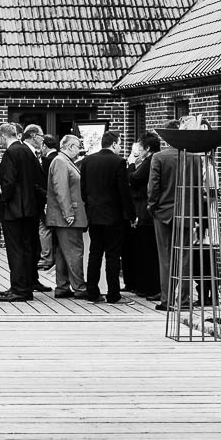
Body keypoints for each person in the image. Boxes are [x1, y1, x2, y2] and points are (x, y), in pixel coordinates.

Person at [0, 122, 45, 301]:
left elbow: (8, 182)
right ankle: (25, 285)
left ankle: (19, 289)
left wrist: (3, 200)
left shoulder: (10, 153)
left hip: (14, 210)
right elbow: (38, 179)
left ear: (3, 136)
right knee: (27, 248)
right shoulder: (27, 151)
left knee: (15, 250)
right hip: (30, 209)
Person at [82, 129, 131, 303]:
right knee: (112, 255)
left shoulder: (87, 161)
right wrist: (130, 214)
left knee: (95, 253)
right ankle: (113, 294)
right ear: (115, 144)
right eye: (120, 144)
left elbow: (83, 190)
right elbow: (123, 191)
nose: (121, 147)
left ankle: (92, 292)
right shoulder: (119, 162)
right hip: (113, 216)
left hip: (94, 215)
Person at [44, 132, 89, 298]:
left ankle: (63, 286)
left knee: (63, 252)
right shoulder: (61, 162)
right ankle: (80, 288)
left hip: (65, 216)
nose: (80, 150)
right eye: (78, 146)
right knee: (74, 252)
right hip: (69, 216)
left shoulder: (63, 161)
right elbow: (61, 189)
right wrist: (68, 213)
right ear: (70, 146)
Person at [144, 128, 179, 311]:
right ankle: (186, 297)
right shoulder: (194, 158)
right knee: (185, 257)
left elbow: (153, 186)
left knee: (165, 258)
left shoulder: (159, 157)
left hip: (163, 213)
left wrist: (152, 205)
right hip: (186, 213)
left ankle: (167, 299)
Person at [125, 138, 160, 296]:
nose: (136, 150)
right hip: (146, 211)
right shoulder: (151, 160)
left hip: (145, 211)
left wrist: (131, 163)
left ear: (147, 148)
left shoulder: (150, 160)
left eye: (139, 146)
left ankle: (147, 287)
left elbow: (134, 178)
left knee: (146, 250)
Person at [22, 124, 54, 272]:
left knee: (42, 231)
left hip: (40, 202)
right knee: (43, 229)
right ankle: (45, 259)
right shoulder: (25, 154)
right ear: (34, 136)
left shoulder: (45, 159)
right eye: (41, 136)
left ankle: (42, 261)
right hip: (34, 202)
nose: (42, 139)